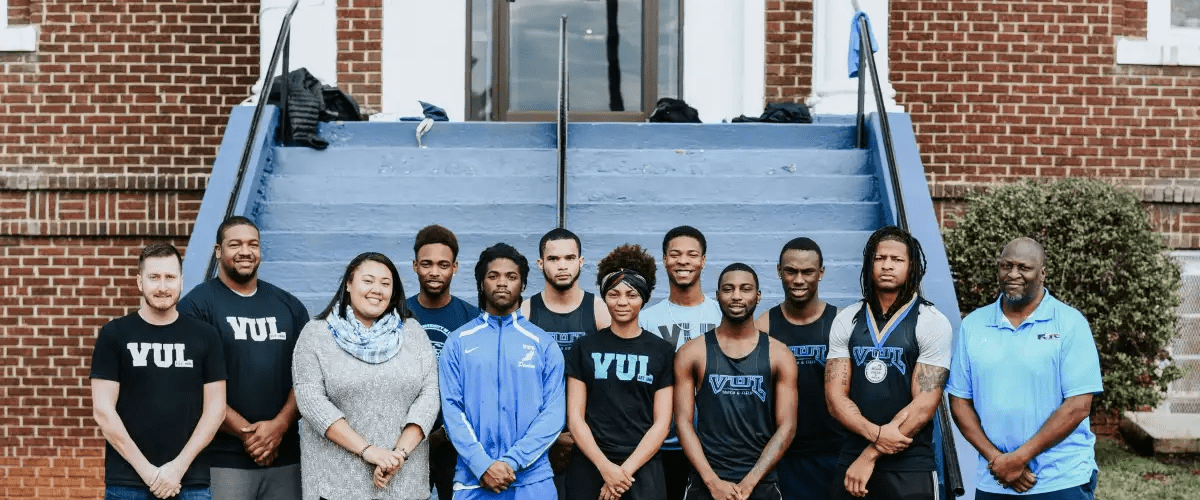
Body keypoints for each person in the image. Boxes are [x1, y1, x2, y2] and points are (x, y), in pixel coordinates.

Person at [947, 237, 1103, 499]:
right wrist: (998, 460)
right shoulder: (973, 325)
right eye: (1006, 266)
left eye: (1024, 267)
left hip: (1060, 479)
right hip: (994, 479)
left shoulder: (1070, 323)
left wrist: (1019, 458)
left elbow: (1078, 406)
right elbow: (959, 401)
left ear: (1042, 273)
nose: (1013, 274)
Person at [178, 216, 309, 500]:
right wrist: (248, 435)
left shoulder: (290, 306)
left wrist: (280, 426)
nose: (245, 251)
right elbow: (190, 384)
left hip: (286, 458)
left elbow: (308, 378)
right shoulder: (196, 307)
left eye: (253, 244)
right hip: (223, 460)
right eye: (235, 244)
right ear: (218, 251)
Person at [292, 252, 440, 500]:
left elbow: (430, 395)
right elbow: (311, 402)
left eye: (385, 283)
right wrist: (368, 451)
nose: (377, 290)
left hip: (404, 482)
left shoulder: (413, 332)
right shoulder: (316, 335)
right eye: (368, 281)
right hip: (336, 486)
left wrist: (399, 455)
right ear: (349, 284)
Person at [824, 226, 953, 499]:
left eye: (897, 259)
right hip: (852, 460)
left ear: (912, 266)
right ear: (869, 264)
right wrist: (876, 435)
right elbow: (835, 399)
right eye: (880, 258)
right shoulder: (847, 319)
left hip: (910, 466)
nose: (887, 265)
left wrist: (871, 454)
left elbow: (924, 406)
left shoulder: (932, 321)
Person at [90, 243, 227, 500]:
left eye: (170, 277)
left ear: (181, 281)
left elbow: (216, 410)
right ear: (139, 282)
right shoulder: (114, 334)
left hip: (190, 483)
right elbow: (103, 411)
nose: (162, 286)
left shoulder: (206, 336)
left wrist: (177, 469)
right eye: (154, 277)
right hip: (128, 484)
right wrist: (149, 473)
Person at [439, 243, 565, 499]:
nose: (502, 283)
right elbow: (451, 410)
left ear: (523, 284)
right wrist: (482, 465)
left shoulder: (543, 344)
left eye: (511, 276)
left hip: (532, 480)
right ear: (481, 283)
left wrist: (512, 462)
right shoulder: (458, 342)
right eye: (493, 276)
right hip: (473, 480)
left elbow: (553, 414)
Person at [675, 263, 798, 500]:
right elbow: (683, 422)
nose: (737, 296)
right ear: (718, 295)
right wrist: (712, 482)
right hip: (706, 481)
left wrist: (749, 483)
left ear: (758, 296)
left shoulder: (780, 355)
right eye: (728, 289)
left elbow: (787, 426)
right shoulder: (692, 352)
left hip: (761, 482)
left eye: (745, 289)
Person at [564, 244, 674, 500]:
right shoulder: (584, 347)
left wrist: (622, 473)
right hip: (590, 466)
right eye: (614, 294)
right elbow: (575, 418)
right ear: (604, 296)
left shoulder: (662, 351)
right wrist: (605, 468)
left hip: (643, 469)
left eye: (631, 294)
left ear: (644, 297)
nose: (622, 302)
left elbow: (662, 423)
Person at [519, 228, 611, 496]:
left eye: (569, 258)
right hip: (540, 439)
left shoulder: (599, 310)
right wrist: (551, 434)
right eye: (553, 259)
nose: (562, 266)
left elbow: (610, 383)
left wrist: (585, 433)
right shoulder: (526, 311)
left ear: (580, 262)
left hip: (592, 437)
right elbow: (522, 384)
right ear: (541, 263)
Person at [754, 237, 844, 500]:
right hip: (785, 455)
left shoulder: (840, 322)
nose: (798, 280)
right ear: (779, 271)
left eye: (808, 272)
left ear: (821, 273)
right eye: (791, 271)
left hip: (835, 451)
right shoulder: (764, 326)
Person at [638, 225, 723, 500]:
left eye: (692, 254)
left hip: (714, 448)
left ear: (703, 260)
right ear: (664, 260)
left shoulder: (723, 316)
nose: (683, 261)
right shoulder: (645, 319)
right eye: (675, 254)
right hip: (659, 448)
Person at [406, 224, 481, 500]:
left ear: (455, 267)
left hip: (458, 442)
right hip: (408, 439)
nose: (435, 272)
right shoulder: (398, 314)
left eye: (443, 264)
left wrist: (447, 431)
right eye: (427, 264)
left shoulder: (472, 318)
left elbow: (478, 384)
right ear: (415, 266)